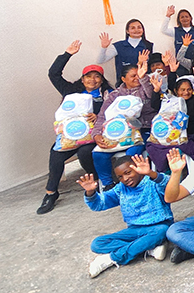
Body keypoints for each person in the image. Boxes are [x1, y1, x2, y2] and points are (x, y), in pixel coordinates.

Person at [39, 40, 114, 214]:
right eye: (88, 76)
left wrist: (99, 116)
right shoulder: (71, 91)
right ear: (82, 79)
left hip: (94, 136)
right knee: (56, 154)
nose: (92, 80)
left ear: (102, 80)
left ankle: (94, 180)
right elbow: (53, 74)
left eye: (97, 77)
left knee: (85, 153)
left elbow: (115, 113)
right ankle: (51, 192)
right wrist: (67, 54)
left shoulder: (106, 95)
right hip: (70, 137)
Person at [78, 155, 173, 277]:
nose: (125, 179)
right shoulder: (121, 189)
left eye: (128, 172)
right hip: (134, 230)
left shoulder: (152, 182)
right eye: (120, 177)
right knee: (97, 244)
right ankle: (147, 248)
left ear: (138, 168)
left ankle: (112, 258)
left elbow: (169, 186)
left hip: (158, 227)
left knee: (163, 231)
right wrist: (90, 192)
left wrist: (152, 174)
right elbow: (99, 204)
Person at [91, 54, 158, 189]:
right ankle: (109, 185)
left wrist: (144, 78)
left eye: (138, 74)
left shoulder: (145, 88)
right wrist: (96, 134)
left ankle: (135, 182)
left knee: (132, 153)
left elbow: (153, 99)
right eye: (133, 76)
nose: (136, 78)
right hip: (117, 133)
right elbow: (102, 117)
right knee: (98, 153)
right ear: (123, 79)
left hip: (143, 130)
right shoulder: (114, 95)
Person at [98, 19, 155, 84]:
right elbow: (100, 61)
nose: (136, 30)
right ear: (127, 31)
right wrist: (104, 48)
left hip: (144, 85)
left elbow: (154, 67)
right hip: (123, 85)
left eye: (139, 27)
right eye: (133, 28)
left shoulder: (150, 46)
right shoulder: (118, 46)